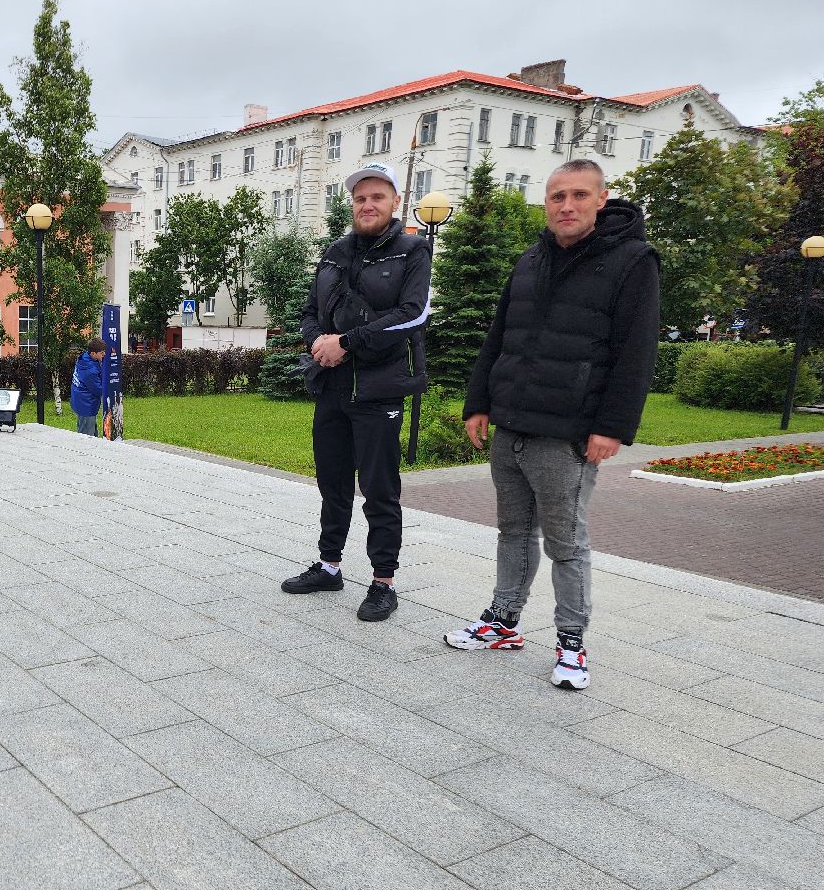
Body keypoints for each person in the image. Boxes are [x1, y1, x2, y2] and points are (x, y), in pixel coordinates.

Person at [444, 159, 660, 690]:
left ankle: (571, 644)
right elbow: (501, 336)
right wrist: (479, 403)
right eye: (557, 196)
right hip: (512, 425)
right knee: (512, 531)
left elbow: (637, 352)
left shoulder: (633, 261)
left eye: (579, 196)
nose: (567, 205)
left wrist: (612, 427)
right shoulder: (530, 260)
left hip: (567, 434)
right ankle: (503, 621)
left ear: (601, 201)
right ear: (546, 202)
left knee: (565, 542)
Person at [280, 161, 431, 622]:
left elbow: (412, 314)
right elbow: (310, 311)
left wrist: (346, 343)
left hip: (380, 391)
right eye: (360, 198)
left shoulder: (412, 251)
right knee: (332, 483)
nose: (368, 205)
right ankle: (329, 566)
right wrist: (318, 344)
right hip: (333, 389)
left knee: (380, 490)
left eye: (377, 197)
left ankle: (383, 582)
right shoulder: (334, 252)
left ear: (394, 203)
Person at [71, 336, 106, 437]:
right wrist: (111, 389)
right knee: (86, 435)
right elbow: (98, 389)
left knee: (90, 430)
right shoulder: (90, 371)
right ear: (93, 353)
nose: (104, 354)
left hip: (81, 399)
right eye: (102, 353)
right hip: (86, 403)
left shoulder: (85, 358)